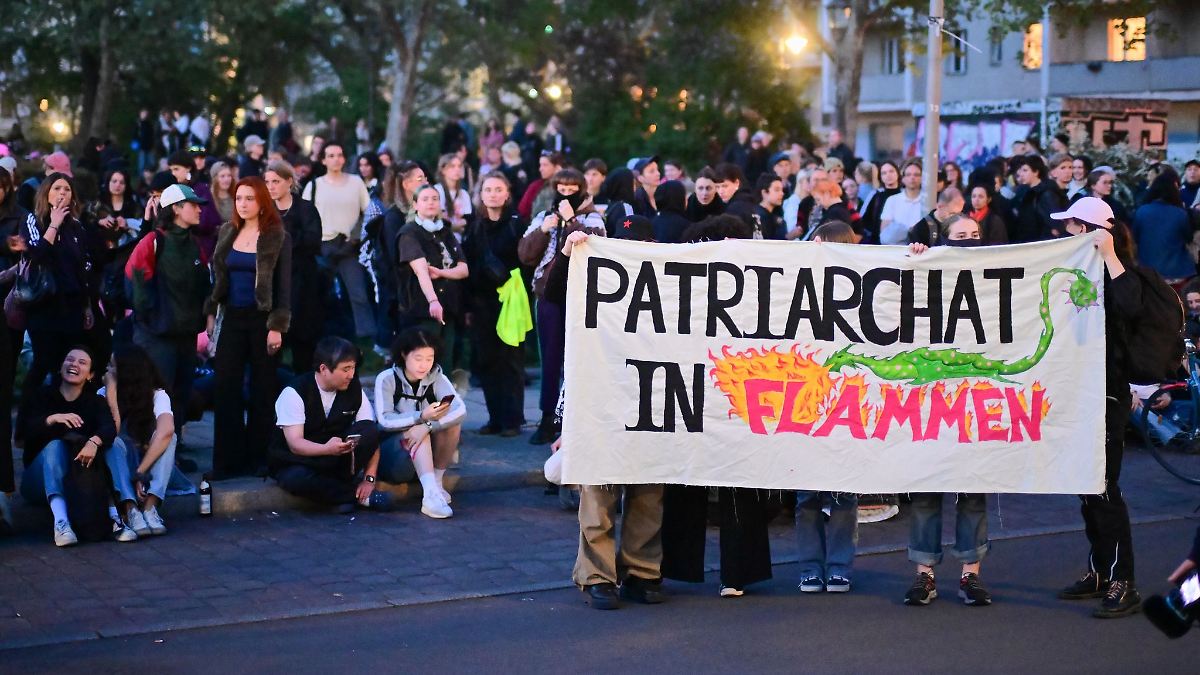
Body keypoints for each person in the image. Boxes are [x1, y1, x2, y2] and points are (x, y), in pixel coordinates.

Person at [550, 228, 666, 610]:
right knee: (599, 488)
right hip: (602, 398)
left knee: (649, 488)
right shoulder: (600, 274)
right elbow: (554, 295)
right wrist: (569, 254)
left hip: (652, 395)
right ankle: (598, 576)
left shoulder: (669, 279)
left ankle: (642, 571)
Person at [1049, 197, 1147, 618]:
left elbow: (1131, 310)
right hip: (1081, 390)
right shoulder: (1084, 272)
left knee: (1105, 488)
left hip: (1106, 391)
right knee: (1088, 486)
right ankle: (1102, 571)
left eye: (1069, 226)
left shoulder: (1124, 274)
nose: (1062, 233)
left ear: (1088, 230)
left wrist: (1108, 256)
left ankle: (1123, 579)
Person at [204, 177, 292, 479]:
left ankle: (259, 459)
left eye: (249, 199)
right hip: (232, 318)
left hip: (263, 321)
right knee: (225, 387)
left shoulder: (276, 235)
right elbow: (218, 281)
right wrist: (212, 314)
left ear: (261, 202)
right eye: (239, 198)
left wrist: (277, 326)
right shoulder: (228, 232)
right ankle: (227, 461)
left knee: (262, 390)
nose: (242, 204)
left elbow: (284, 286)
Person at [518, 169, 605, 445]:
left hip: (582, 295)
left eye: (572, 187)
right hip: (548, 294)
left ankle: (573, 419)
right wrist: (544, 231)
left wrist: (570, 220)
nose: (566, 192)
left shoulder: (592, 218)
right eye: (561, 187)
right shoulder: (544, 216)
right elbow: (525, 254)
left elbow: (595, 245)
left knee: (579, 359)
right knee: (550, 359)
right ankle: (547, 418)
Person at [20, 347, 137, 546]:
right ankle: (62, 522)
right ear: (61, 367)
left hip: (78, 480)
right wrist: (51, 419)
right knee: (54, 446)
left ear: (91, 375)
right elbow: (24, 432)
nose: (74, 364)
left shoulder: (94, 402)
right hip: (37, 481)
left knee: (114, 444)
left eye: (82, 362)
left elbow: (109, 429)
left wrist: (93, 441)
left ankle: (123, 512)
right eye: (70, 359)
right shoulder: (42, 396)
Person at [125, 183, 210, 444]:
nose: (199, 209)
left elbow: (204, 286)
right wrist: (154, 319)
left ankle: (174, 452)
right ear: (175, 209)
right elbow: (134, 282)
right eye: (193, 204)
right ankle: (150, 452)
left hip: (185, 336)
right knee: (158, 395)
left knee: (180, 395)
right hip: (157, 337)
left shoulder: (195, 245)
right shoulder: (153, 242)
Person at [272, 336, 393, 512]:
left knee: (369, 429)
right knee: (296, 479)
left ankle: (339, 497)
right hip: (299, 461)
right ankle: (357, 498)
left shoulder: (353, 389)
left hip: (336, 459)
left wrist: (369, 478)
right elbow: (295, 444)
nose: (351, 375)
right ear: (324, 369)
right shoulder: (295, 393)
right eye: (345, 369)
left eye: (352, 368)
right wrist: (327, 449)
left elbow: (370, 433)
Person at [19, 173, 98, 429]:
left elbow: (83, 268)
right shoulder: (33, 220)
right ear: (46, 193)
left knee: (66, 364)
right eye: (56, 188)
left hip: (72, 305)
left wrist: (87, 305)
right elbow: (37, 255)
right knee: (43, 363)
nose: (62, 193)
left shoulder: (76, 226)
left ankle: (62, 421)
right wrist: (52, 224)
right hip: (44, 305)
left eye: (66, 189)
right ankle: (26, 423)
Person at [374, 329, 466, 518]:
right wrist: (420, 417)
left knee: (450, 426)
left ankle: (436, 485)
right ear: (403, 354)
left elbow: (459, 410)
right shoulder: (386, 379)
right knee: (416, 431)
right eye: (418, 358)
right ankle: (430, 497)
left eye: (429, 358)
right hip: (393, 457)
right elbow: (384, 421)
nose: (424, 365)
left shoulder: (437, 377)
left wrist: (427, 425)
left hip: (427, 457)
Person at [462, 173, 526, 436]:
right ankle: (495, 418)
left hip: (510, 300)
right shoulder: (475, 227)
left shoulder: (517, 224)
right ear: (481, 194)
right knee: (487, 359)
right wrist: (467, 305)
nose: (493, 194)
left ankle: (512, 420)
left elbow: (526, 260)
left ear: (507, 193)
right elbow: (466, 264)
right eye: (488, 189)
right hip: (482, 301)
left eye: (498, 189)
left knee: (510, 360)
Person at [98, 345, 177, 536]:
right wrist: (111, 394)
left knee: (170, 437)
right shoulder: (102, 394)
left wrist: (140, 473)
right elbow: (110, 434)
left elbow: (166, 430)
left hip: (148, 466)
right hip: (118, 467)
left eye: (112, 366)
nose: (107, 371)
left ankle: (150, 508)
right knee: (114, 443)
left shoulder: (157, 395)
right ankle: (130, 509)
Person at [302, 141, 375, 342]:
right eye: (331, 155)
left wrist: (356, 238)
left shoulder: (356, 182)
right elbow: (306, 216)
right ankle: (320, 335)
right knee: (319, 293)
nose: (336, 159)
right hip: (322, 245)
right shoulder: (314, 185)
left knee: (357, 292)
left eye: (339, 154)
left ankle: (366, 337)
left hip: (349, 244)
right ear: (323, 160)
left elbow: (368, 212)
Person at [265, 160, 324, 375]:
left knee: (303, 343)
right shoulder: (265, 211)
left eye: (276, 181)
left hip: (302, 281)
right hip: (273, 282)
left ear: (289, 182)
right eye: (268, 182)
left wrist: (284, 240)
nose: (270, 186)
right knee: (271, 349)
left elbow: (313, 241)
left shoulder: (305, 208)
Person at [1131, 171, 1194, 286]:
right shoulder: (1180, 213)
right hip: (1177, 272)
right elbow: (1188, 238)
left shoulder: (1141, 211)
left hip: (1148, 271)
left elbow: (1134, 238)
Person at [879, 159, 924, 245]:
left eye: (916, 174)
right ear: (903, 178)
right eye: (908, 174)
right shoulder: (892, 200)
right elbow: (884, 235)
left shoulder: (929, 202)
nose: (912, 178)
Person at [860, 161, 900, 244]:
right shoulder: (876, 195)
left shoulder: (904, 195)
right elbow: (864, 220)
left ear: (897, 173)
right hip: (877, 243)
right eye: (884, 173)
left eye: (891, 171)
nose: (888, 175)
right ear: (880, 177)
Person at [434, 153, 472, 236]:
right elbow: (437, 218)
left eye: (459, 166)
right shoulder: (436, 190)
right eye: (452, 166)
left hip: (459, 241)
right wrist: (454, 227)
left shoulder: (464, 194)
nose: (457, 169)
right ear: (443, 170)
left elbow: (468, 219)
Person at [517, 151, 563, 220]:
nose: (540, 169)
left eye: (545, 165)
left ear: (557, 167)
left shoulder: (567, 186)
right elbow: (523, 210)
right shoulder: (536, 186)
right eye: (540, 165)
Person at [750, 174, 786, 240]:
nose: (782, 193)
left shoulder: (775, 215)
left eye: (782, 190)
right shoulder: (758, 216)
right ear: (764, 193)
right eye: (777, 190)